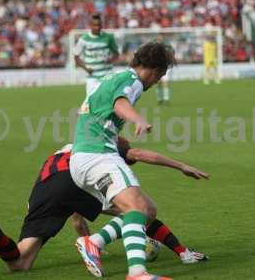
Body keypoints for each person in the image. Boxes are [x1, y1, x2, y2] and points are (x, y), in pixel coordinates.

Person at [0, 139, 209, 273]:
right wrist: (181, 165)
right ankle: (182, 253)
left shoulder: (75, 145)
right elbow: (141, 153)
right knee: (140, 210)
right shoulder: (106, 142)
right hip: (73, 178)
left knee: (19, 263)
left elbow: (77, 219)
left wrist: (90, 250)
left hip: (44, 185)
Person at [70, 42, 200, 280]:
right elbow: (120, 104)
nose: (158, 80)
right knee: (138, 208)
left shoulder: (113, 77)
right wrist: (137, 119)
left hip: (83, 157)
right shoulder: (133, 81)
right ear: (153, 68)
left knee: (147, 211)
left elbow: (89, 113)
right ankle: (137, 273)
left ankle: (94, 242)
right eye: (161, 74)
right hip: (98, 156)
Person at [74, 13, 119, 96]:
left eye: (99, 25)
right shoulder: (84, 39)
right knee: (91, 102)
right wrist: (86, 68)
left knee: (108, 101)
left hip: (107, 75)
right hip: (92, 77)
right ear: (90, 25)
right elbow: (76, 57)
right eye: (95, 25)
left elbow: (116, 54)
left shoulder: (109, 37)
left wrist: (110, 60)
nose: (97, 27)